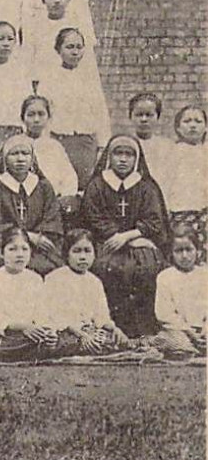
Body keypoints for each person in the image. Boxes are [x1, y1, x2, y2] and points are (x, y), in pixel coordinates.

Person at [82, 135, 168, 337]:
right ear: (108, 157)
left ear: (136, 158)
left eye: (128, 154)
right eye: (117, 153)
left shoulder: (146, 186)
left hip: (139, 241)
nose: (122, 159)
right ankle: (111, 330)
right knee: (106, 267)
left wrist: (129, 235)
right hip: (106, 241)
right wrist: (116, 235)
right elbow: (92, 216)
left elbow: (154, 220)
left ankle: (144, 331)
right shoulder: (97, 185)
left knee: (147, 267)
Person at [31, 29, 108, 185]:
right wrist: (44, 141)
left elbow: (100, 112)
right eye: (70, 47)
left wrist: (102, 145)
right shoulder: (50, 77)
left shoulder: (90, 77)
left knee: (85, 185)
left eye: (79, 47)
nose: (75, 52)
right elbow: (43, 111)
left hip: (85, 144)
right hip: (59, 141)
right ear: (58, 49)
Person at [39, 229, 130, 357]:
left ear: (94, 254)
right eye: (76, 251)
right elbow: (55, 316)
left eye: (87, 251)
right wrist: (81, 335)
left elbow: (101, 315)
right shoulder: (55, 278)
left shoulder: (95, 281)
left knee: (115, 340)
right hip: (65, 330)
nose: (82, 257)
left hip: (88, 330)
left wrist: (114, 329)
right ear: (66, 254)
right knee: (62, 342)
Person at [0, 134, 64, 275]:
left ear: (32, 158)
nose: (20, 159)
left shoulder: (43, 187)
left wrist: (39, 237)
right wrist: (26, 236)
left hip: (38, 248)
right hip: (6, 248)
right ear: (4, 159)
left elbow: (52, 219)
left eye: (25, 153)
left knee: (47, 267)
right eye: (14, 154)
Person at [0, 227, 61, 361]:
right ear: (1, 253)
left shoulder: (35, 279)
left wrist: (47, 331)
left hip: (31, 334)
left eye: (24, 249)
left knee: (49, 341)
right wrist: (21, 327)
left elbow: (43, 311)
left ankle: (37, 348)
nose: (19, 254)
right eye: (12, 249)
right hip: (8, 334)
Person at [160, 104, 208, 253]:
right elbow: (165, 182)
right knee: (183, 249)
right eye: (187, 121)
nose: (193, 125)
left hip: (205, 212)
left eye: (198, 121)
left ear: (206, 127)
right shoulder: (172, 152)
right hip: (180, 211)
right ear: (178, 128)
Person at [150, 232, 206, 359]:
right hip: (178, 330)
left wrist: (205, 329)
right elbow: (164, 313)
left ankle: (196, 349)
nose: (184, 256)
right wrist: (188, 331)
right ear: (171, 253)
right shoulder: (165, 277)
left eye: (189, 249)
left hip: (203, 329)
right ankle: (188, 350)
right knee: (176, 343)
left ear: (198, 251)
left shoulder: (204, 274)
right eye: (179, 251)